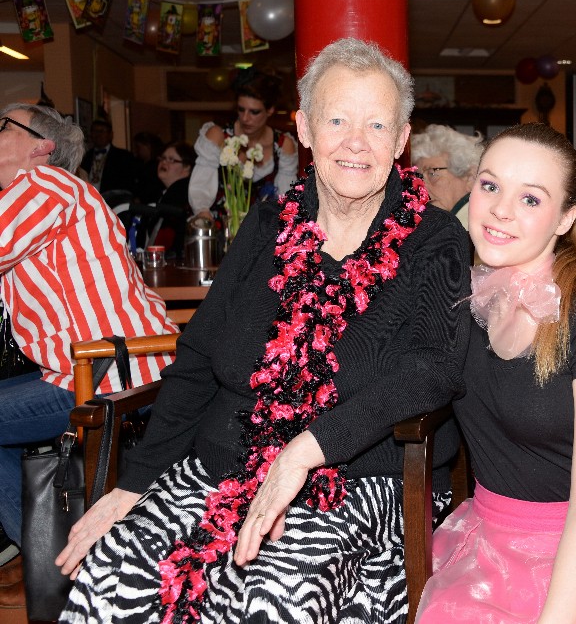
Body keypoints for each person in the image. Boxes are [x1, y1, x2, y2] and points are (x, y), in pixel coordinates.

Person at [57, 38, 471, 623]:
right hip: (220, 463)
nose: (356, 142)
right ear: (303, 129)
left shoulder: (437, 239)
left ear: (401, 140)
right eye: (337, 120)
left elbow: (433, 369)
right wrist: (136, 482)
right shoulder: (268, 221)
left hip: (355, 481)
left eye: (378, 124)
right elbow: (199, 356)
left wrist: (304, 452)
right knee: (106, 574)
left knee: (272, 596)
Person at [416, 123, 576, 623]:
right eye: (490, 186)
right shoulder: (461, 302)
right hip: (481, 543)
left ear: (566, 218)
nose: (500, 210)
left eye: (531, 199)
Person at [0, 103, 177, 609]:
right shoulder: (49, 195)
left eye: (3, 125)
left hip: (101, 376)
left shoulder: (44, 185)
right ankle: (40, 553)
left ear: (41, 146)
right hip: (122, 368)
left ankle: (62, 566)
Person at [188, 71, 299, 221]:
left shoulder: (282, 145)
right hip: (222, 229)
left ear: (270, 110)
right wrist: (202, 213)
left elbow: (286, 201)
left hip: (261, 237)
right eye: (241, 109)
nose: (245, 118)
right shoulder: (218, 136)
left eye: (254, 112)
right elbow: (200, 188)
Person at [410, 123, 482, 229]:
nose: (422, 187)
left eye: (432, 173)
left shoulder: (475, 232)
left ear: (470, 178)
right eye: (418, 177)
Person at [132, 141, 195, 257]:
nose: (164, 162)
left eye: (171, 160)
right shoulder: (157, 192)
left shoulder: (185, 194)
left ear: (187, 167)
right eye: (162, 158)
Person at [78, 118, 142, 199]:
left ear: (110, 135)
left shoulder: (123, 156)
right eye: (94, 131)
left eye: (101, 131)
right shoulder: (85, 156)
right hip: (89, 199)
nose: (98, 135)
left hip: (113, 201)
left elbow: (129, 183)